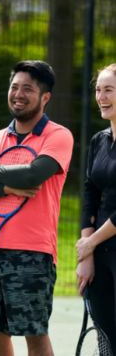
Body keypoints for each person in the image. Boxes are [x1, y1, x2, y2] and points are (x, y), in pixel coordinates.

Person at [0, 60, 73, 356]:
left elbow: (33, 174)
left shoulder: (58, 135)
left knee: (34, 335)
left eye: (28, 88)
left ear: (45, 97)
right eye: (14, 87)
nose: (18, 94)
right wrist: (7, 187)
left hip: (33, 253)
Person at [76, 63, 116, 355]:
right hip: (100, 252)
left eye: (109, 90)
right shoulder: (99, 141)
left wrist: (90, 242)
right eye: (98, 90)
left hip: (102, 243)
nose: (101, 96)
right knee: (107, 335)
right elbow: (90, 194)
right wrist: (87, 254)